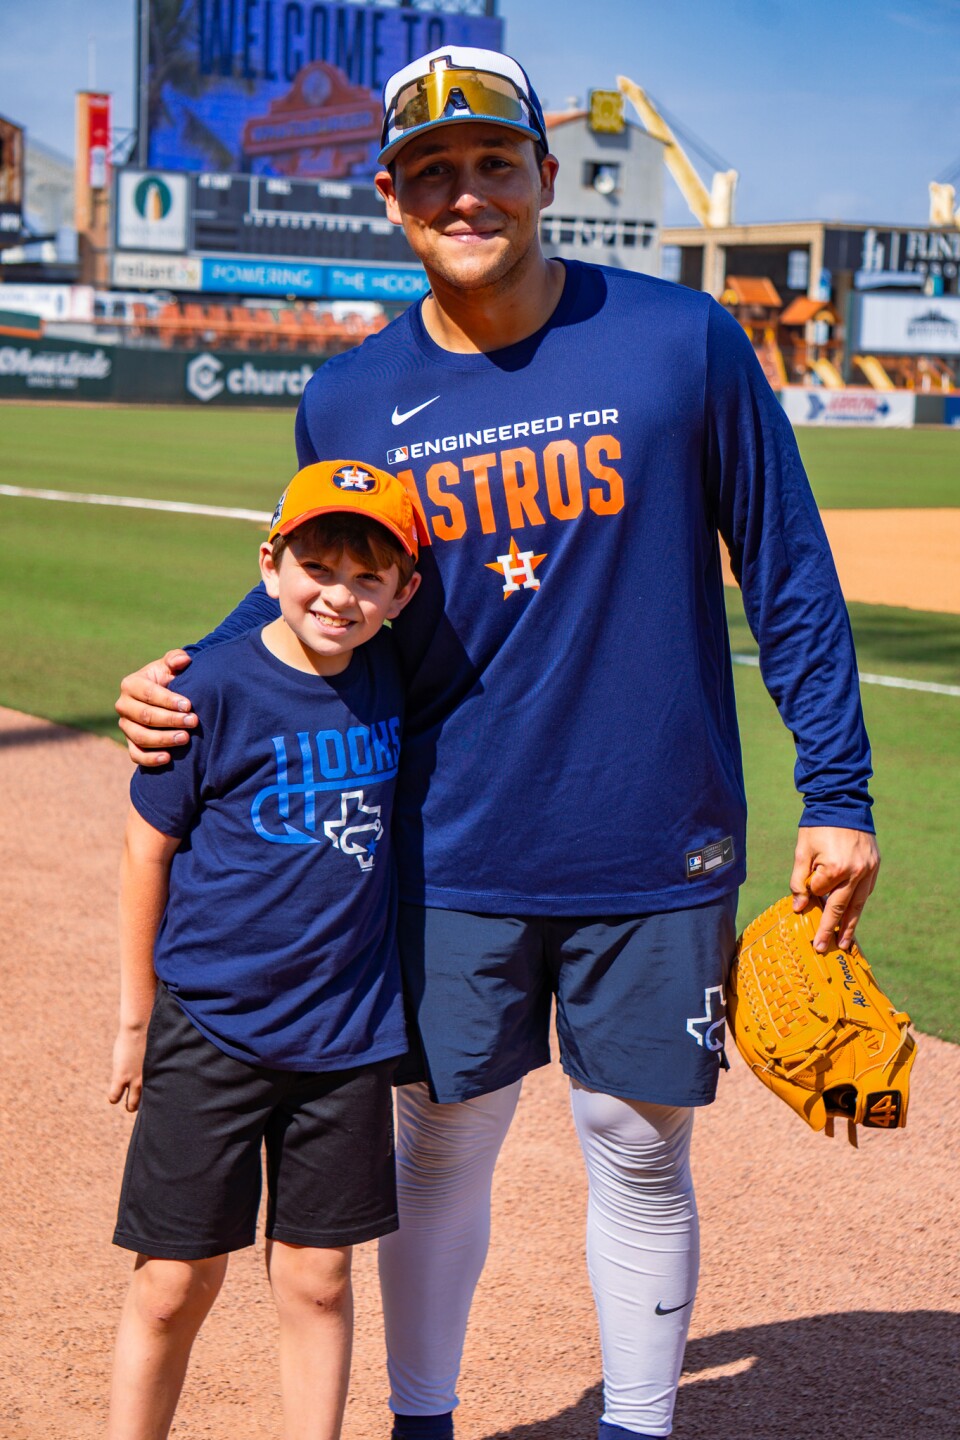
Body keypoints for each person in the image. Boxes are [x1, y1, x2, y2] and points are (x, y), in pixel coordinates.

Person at [115, 45, 880, 1440]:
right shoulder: (349, 399)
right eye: (429, 173)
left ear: (542, 171)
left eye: (490, 162)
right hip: (445, 836)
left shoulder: (679, 340)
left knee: (637, 1148)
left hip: (658, 830)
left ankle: (636, 1428)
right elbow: (314, 576)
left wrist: (839, 786)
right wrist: (188, 675)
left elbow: (787, 568)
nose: (464, 193)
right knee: (441, 1139)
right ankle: (422, 1423)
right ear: (392, 199)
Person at [106, 459, 422, 1440]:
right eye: (316, 565)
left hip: (345, 1037)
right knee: (171, 1282)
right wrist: (134, 1019)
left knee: (320, 1280)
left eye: (369, 578)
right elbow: (144, 848)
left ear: (404, 592)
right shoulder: (209, 687)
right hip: (212, 1025)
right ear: (270, 562)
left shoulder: (395, 676)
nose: (339, 593)